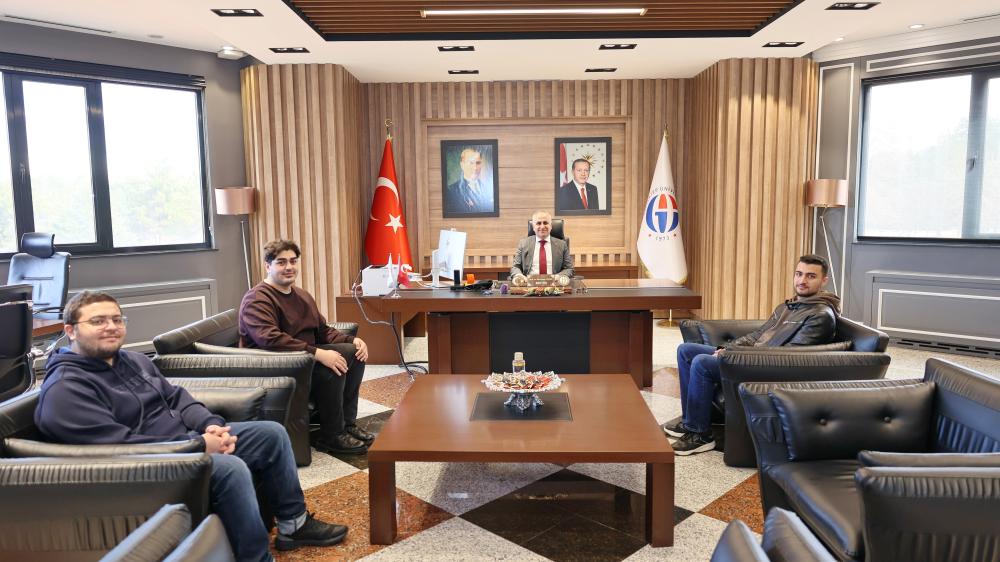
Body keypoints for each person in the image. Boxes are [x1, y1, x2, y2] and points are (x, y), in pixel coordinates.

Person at [35, 291, 347, 562]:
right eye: (98, 321)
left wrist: (211, 426)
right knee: (230, 468)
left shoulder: (132, 360)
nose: (111, 327)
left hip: (185, 442)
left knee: (271, 434)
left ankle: (293, 526)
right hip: (145, 469)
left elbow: (177, 398)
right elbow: (121, 447)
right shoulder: (65, 390)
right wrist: (198, 447)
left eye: (117, 319)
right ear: (70, 331)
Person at [663, 254, 840, 456]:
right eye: (799, 274)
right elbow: (758, 335)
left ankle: (700, 435)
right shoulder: (788, 306)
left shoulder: (820, 315)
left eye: (810, 276)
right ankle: (692, 421)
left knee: (702, 363)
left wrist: (735, 354)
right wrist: (728, 349)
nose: (802, 280)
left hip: (768, 369)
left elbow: (788, 357)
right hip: (753, 358)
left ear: (823, 281)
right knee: (686, 351)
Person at [239, 239, 372, 455]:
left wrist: (351, 341)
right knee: (331, 365)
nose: (289, 267)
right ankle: (331, 435)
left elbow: (322, 330)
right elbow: (270, 340)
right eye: (281, 262)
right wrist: (318, 353)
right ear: (267, 265)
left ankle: (347, 424)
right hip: (273, 365)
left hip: (302, 358)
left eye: (293, 261)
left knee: (354, 354)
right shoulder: (257, 299)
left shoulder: (302, 295)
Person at [510, 210, 575, 278]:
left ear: (551, 226)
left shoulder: (562, 245)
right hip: (529, 283)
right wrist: (519, 276)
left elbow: (569, 269)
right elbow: (515, 267)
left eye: (545, 223)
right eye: (538, 223)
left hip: (554, 283)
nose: (542, 226)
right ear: (533, 227)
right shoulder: (523, 244)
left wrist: (558, 277)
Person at [444, 147, 494, 214]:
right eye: (471, 163)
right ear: (462, 165)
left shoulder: (488, 189)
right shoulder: (451, 191)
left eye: (478, 163)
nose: (475, 168)